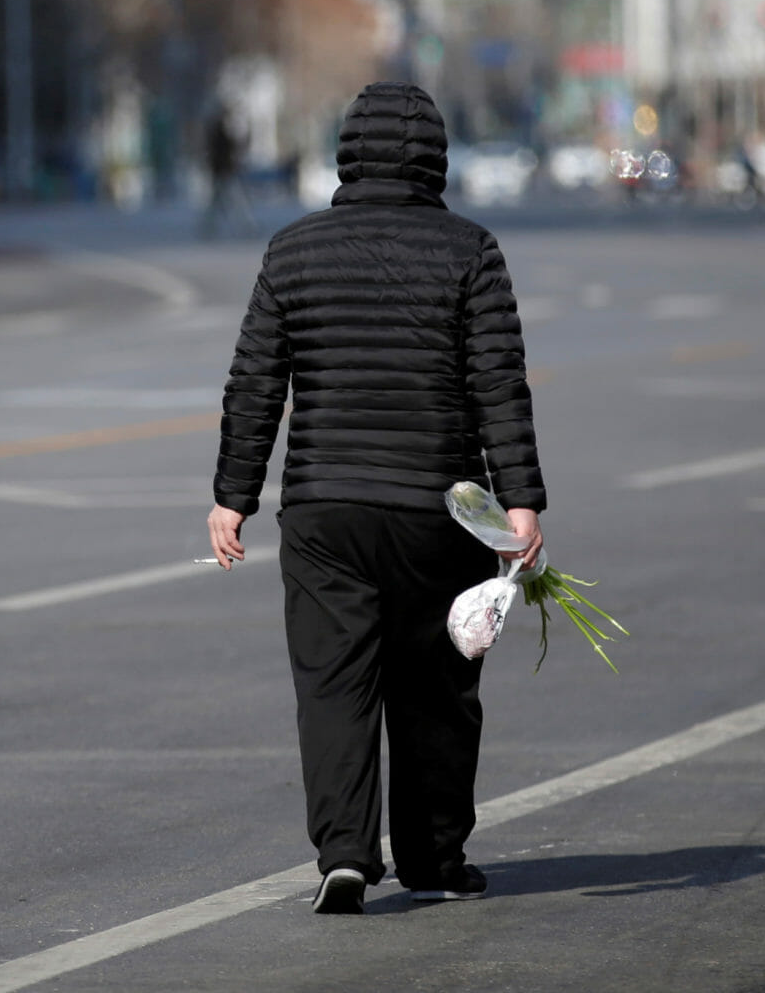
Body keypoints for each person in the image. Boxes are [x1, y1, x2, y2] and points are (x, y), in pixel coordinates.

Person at [206, 81, 544, 916]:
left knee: (333, 682)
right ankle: (433, 856)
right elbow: (497, 382)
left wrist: (232, 496)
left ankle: (345, 853)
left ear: (345, 154)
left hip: (325, 508)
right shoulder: (472, 250)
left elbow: (256, 381)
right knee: (437, 685)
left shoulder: (293, 250)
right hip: (439, 508)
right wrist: (522, 501)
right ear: (436, 156)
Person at [198, 102, 256, 238]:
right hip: (223, 172)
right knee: (232, 201)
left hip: (222, 171)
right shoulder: (220, 133)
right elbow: (227, 151)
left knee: (218, 203)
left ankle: (209, 227)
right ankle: (246, 227)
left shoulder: (217, 132)